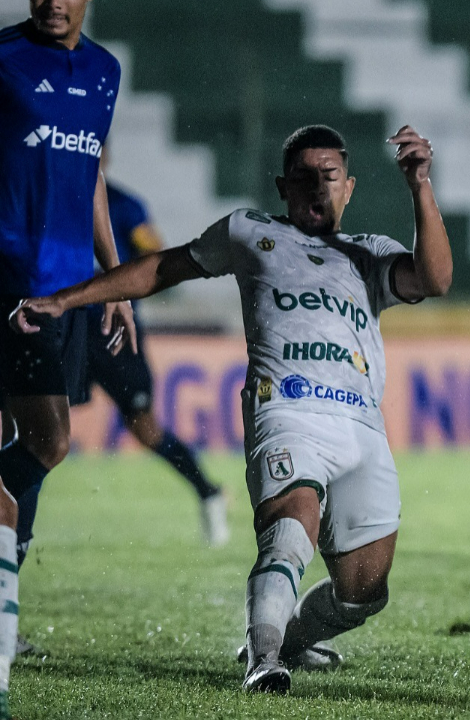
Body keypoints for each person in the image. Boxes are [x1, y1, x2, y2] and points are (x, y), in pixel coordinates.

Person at [12, 124, 453, 694]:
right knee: (289, 531)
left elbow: (435, 279)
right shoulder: (250, 233)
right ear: (281, 186)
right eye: (303, 177)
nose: (317, 187)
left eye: (330, 176)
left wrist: (420, 185)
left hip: (362, 424)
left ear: (350, 188)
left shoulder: (371, 253)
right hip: (286, 409)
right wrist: (70, 297)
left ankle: (286, 642)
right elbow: (164, 267)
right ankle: (263, 661)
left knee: (364, 591)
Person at [0, 1, 133, 712]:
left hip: (59, 290)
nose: (52, 1)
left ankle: (4, 601)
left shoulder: (106, 71)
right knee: (33, 441)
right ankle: (4, 616)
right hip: (3, 280)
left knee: (43, 443)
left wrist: (113, 281)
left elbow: (93, 179)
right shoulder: (3, 56)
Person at [81, 151, 229, 546]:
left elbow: (155, 257)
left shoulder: (126, 206)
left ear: (106, 156)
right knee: (39, 422)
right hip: (63, 327)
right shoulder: (53, 196)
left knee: (145, 428)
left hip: (114, 332)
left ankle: (207, 491)